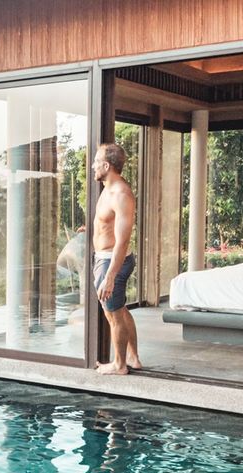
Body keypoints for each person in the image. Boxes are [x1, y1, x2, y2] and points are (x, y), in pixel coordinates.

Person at [91, 143, 142, 375]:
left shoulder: (121, 194)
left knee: (112, 315)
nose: (92, 165)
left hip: (113, 262)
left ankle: (119, 365)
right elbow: (108, 225)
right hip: (106, 258)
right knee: (120, 310)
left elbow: (122, 240)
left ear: (106, 165)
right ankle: (132, 358)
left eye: (96, 161)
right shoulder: (107, 188)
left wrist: (110, 276)